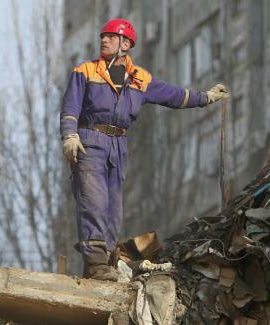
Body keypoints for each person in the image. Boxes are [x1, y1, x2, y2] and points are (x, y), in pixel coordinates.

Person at [60, 18, 229, 281]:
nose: (103, 40)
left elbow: (175, 96)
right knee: (94, 202)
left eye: (110, 37)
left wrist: (205, 97)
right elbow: (70, 107)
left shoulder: (140, 79)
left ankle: (105, 263)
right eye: (103, 36)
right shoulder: (85, 71)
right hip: (90, 141)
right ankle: (95, 265)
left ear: (125, 44)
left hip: (118, 146)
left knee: (113, 209)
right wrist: (69, 136)